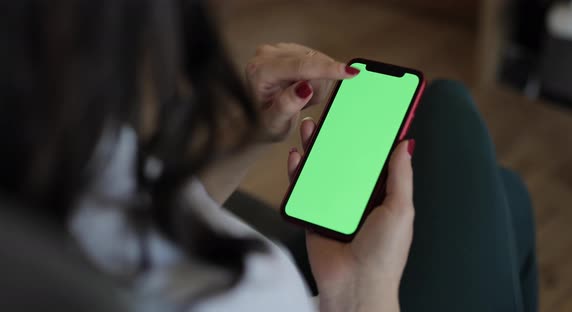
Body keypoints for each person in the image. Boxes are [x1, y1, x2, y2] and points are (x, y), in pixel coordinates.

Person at [0, 1, 538, 311]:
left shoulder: (48, 158)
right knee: (453, 111)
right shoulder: (242, 295)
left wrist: (245, 136)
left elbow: (133, 217)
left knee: (507, 199)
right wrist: (362, 291)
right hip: (340, 292)